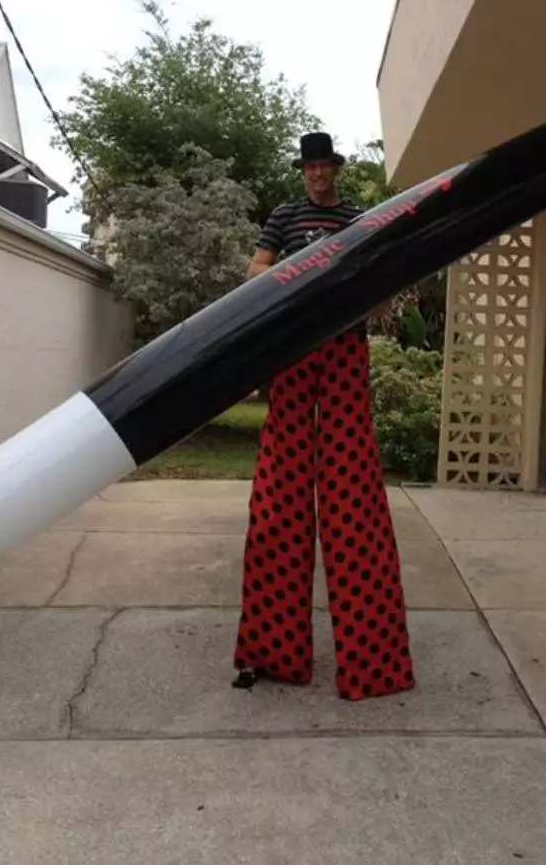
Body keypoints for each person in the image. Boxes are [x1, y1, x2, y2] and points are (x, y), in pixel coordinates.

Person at [232, 131, 416, 701]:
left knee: (352, 498)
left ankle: (373, 664)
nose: (316, 174)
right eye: (309, 167)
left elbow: (384, 296)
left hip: (344, 352)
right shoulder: (284, 218)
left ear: (335, 169)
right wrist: (305, 270)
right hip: (293, 353)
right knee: (279, 498)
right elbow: (254, 275)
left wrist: (361, 287)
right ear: (303, 172)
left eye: (323, 166)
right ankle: (272, 652)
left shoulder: (362, 218)